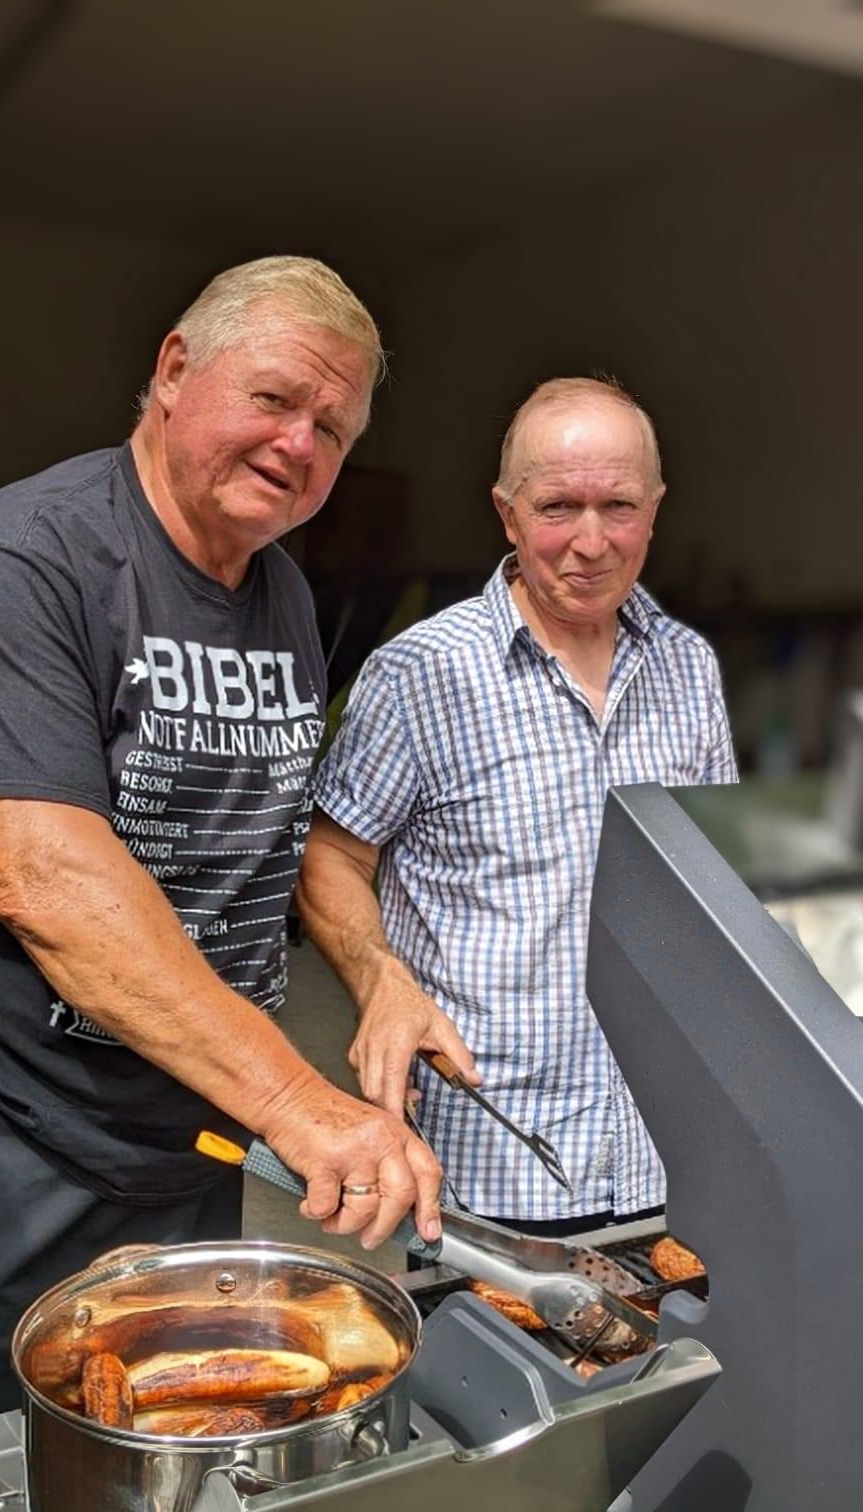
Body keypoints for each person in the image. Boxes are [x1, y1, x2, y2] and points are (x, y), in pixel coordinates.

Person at [0, 257, 444, 1465]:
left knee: (170, 1452)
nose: (299, 444)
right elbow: (47, 881)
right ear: (173, 370)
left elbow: (273, 831)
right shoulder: (26, 560)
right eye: (274, 399)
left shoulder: (279, 592)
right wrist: (297, 1103)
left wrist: (377, 973)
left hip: (187, 1132)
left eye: (332, 429)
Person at [297, 376, 737, 1232]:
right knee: (495, 1331)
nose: (591, 542)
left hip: (671, 1147)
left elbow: (718, 878)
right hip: (497, 1157)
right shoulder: (423, 673)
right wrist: (380, 980)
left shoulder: (689, 667)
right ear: (507, 514)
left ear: (655, 509)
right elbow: (329, 853)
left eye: (619, 506)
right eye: (558, 507)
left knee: (673, 1325)